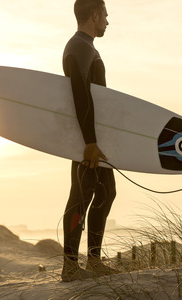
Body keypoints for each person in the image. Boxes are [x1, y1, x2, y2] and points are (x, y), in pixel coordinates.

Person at [61, 0, 119, 282]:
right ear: (94, 15)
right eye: (105, 15)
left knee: (106, 191)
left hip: (94, 138)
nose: (108, 21)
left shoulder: (85, 47)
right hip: (88, 141)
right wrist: (90, 142)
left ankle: (93, 261)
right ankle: (70, 266)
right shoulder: (79, 47)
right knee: (80, 197)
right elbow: (80, 94)